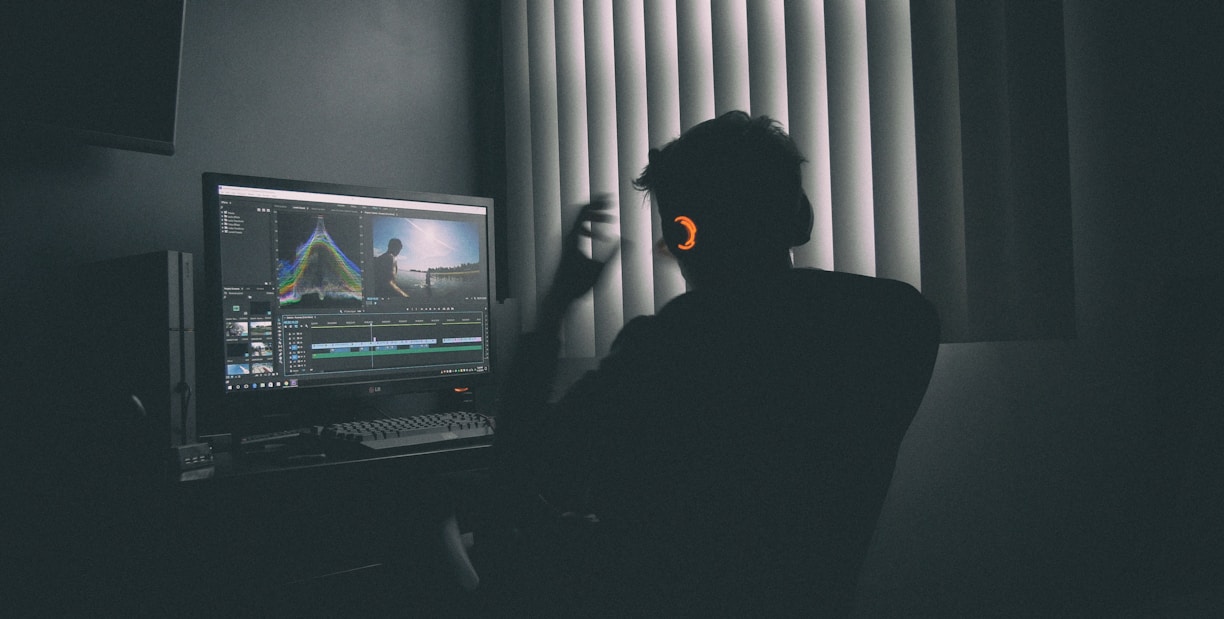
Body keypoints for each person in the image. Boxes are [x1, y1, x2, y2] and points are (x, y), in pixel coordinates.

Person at [482, 111, 940, 617]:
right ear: (801, 218)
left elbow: (524, 463)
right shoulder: (898, 320)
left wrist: (554, 306)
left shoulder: (669, 346)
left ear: (682, 237)